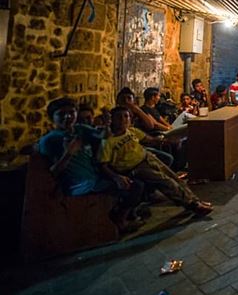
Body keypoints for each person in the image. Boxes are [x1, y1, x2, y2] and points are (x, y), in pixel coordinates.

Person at [39, 98, 143, 232]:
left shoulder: (79, 129)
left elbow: (104, 136)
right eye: (61, 114)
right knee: (134, 188)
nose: (68, 117)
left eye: (71, 112)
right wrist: (68, 154)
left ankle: (124, 214)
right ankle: (119, 221)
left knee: (135, 178)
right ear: (52, 117)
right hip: (80, 185)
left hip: (95, 177)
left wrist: (106, 124)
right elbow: (52, 173)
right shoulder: (49, 140)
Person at [98, 106, 213, 216]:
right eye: (119, 117)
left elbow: (150, 140)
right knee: (166, 182)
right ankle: (192, 205)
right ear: (113, 120)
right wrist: (116, 176)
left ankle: (195, 199)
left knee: (174, 177)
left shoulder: (132, 131)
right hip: (134, 168)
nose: (123, 120)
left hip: (147, 158)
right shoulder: (108, 141)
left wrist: (167, 141)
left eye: (126, 116)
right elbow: (103, 164)